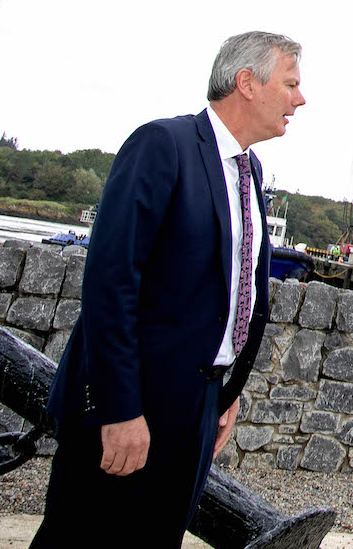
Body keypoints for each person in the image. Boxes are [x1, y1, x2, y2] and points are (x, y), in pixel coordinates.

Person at [32, 31, 305, 548]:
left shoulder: (249, 170)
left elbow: (235, 286)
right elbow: (111, 283)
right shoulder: (163, 146)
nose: (300, 98)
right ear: (246, 82)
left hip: (198, 408)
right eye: (291, 84)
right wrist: (119, 410)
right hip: (135, 405)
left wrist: (225, 391)